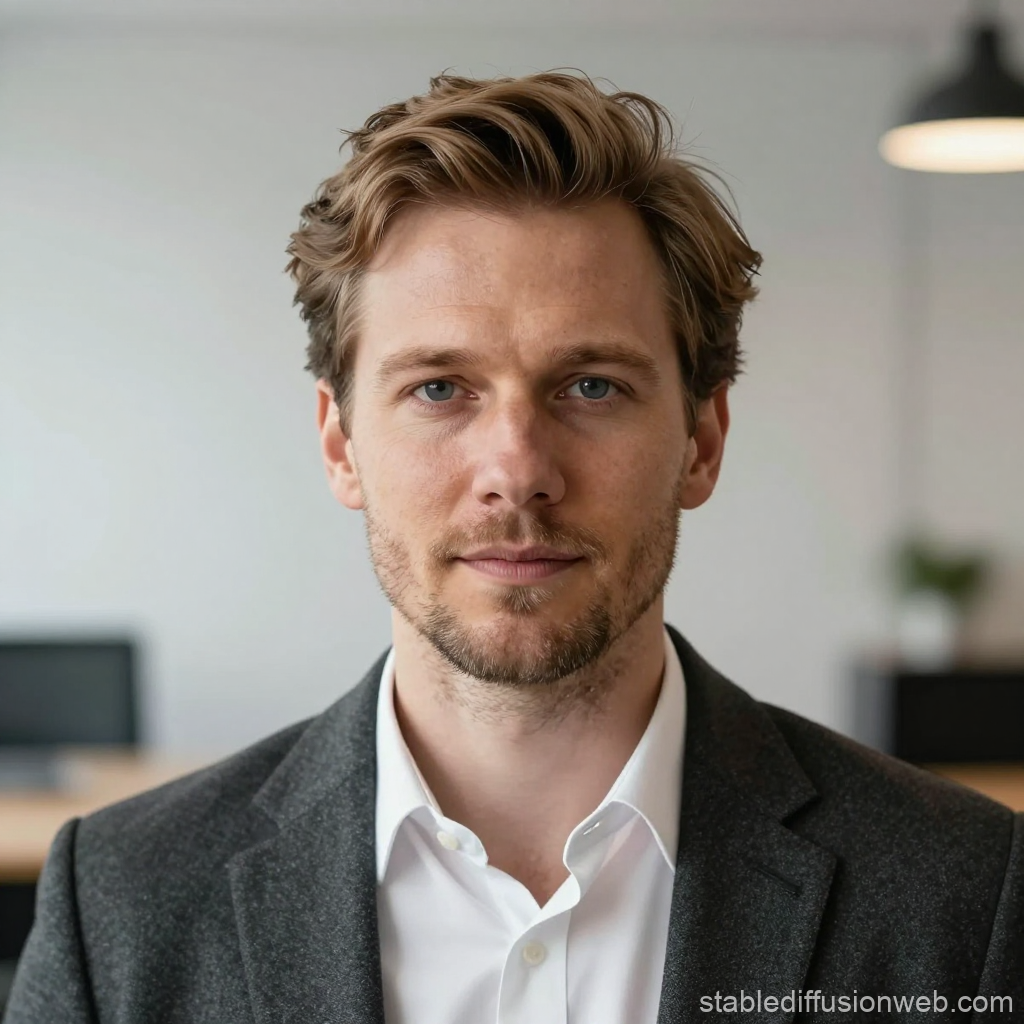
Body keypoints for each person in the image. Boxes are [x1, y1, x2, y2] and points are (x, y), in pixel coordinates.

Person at [6, 70, 1022, 1024]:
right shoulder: (124, 903)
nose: (517, 469)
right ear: (340, 442)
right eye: (439, 388)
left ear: (702, 440)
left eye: (591, 386)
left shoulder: (963, 895)